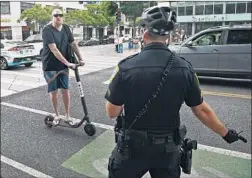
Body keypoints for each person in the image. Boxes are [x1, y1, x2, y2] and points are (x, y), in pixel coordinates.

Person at [104, 6, 243, 178]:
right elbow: (202, 110)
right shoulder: (185, 68)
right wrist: (226, 133)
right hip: (167, 151)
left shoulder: (125, 67)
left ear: (144, 34)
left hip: (131, 150)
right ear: (168, 37)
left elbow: (112, 112)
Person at [41, 9, 85, 125]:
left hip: (63, 65)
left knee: (65, 90)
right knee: (54, 91)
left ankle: (67, 116)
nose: (58, 17)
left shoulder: (66, 28)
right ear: (52, 17)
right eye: (56, 15)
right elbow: (54, 49)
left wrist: (80, 58)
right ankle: (56, 115)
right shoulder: (47, 30)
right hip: (50, 66)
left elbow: (73, 43)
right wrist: (68, 63)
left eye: (60, 15)